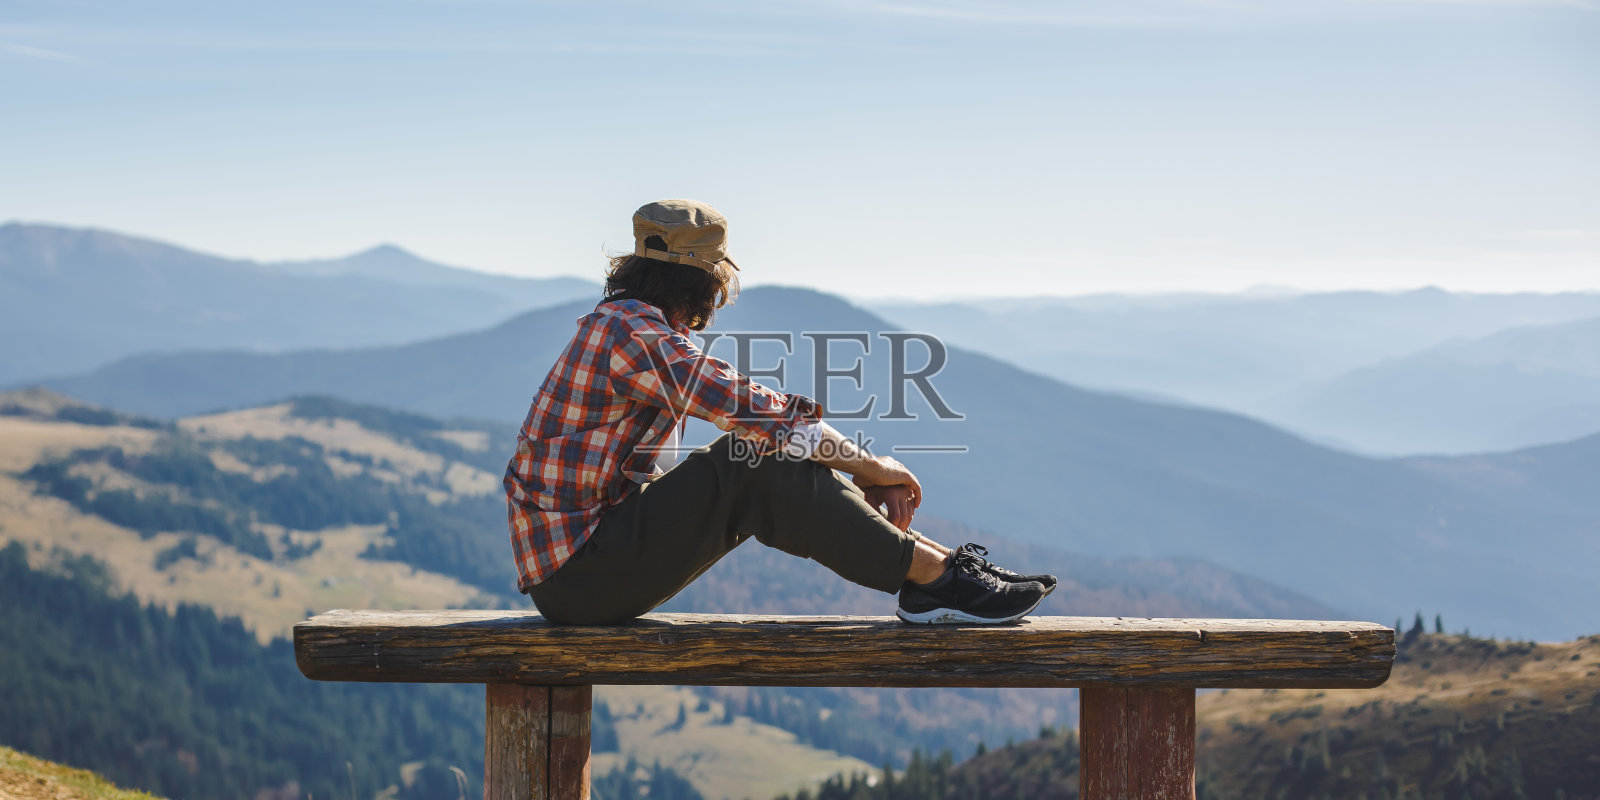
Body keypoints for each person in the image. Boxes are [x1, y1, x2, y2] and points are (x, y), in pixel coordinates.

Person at [503, 199, 1055, 625]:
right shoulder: (634, 335)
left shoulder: (623, 324)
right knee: (754, 460)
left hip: (583, 565)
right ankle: (936, 578)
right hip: (579, 577)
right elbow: (759, 414)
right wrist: (873, 468)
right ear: (702, 281)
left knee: (755, 456)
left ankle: (939, 572)